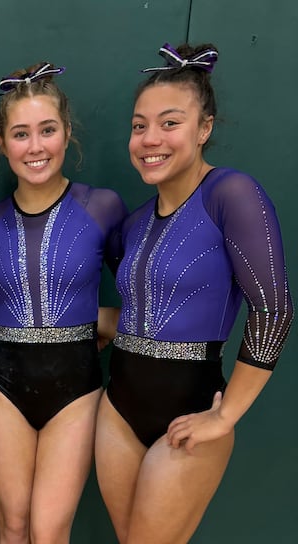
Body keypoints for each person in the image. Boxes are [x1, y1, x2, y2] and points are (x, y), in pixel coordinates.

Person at [94, 42, 294, 544]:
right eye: (139, 125)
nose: (149, 138)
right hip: (117, 408)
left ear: (204, 128)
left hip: (190, 408)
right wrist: (106, 318)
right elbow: (151, 307)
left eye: (169, 122)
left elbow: (273, 311)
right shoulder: (135, 224)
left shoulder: (232, 195)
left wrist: (226, 415)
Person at [0, 62, 126, 544]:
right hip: (3, 387)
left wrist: (101, 320)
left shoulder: (101, 207)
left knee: (48, 530)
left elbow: (147, 292)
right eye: (21, 134)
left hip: (75, 390)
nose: (36, 147)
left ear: (67, 133)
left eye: (47, 130)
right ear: (2, 144)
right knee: (14, 526)